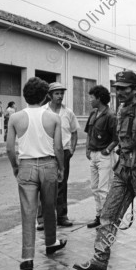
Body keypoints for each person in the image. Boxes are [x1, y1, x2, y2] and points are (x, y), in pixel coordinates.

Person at [73, 70, 136, 270]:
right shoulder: (121, 110)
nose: (120, 92)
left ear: (135, 89)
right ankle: (100, 259)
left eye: (124, 88)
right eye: (118, 88)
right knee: (108, 214)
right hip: (122, 171)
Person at [6, 77, 66, 270]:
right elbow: (58, 148)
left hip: (26, 165)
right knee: (49, 207)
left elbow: (9, 148)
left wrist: (16, 166)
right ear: (44, 97)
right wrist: (61, 168)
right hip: (49, 165)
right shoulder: (53, 118)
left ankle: (27, 257)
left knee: (28, 211)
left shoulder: (16, 118)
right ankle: (51, 243)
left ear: (25, 95)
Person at [37, 82, 79, 229]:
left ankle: (62, 216)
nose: (60, 96)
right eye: (57, 93)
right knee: (45, 185)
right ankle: (42, 219)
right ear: (49, 95)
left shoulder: (68, 113)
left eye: (62, 93)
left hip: (64, 153)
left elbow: (74, 132)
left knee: (62, 185)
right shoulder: (42, 111)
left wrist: (72, 149)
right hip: (47, 152)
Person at [84, 85, 118, 229]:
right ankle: (99, 215)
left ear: (99, 98)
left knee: (104, 189)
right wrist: (87, 148)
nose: (89, 100)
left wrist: (107, 150)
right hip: (93, 154)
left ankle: (107, 219)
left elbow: (116, 138)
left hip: (105, 156)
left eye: (92, 97)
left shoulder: (111, 116)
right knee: (94, 188)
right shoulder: (93, 114)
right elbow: (89, 133)